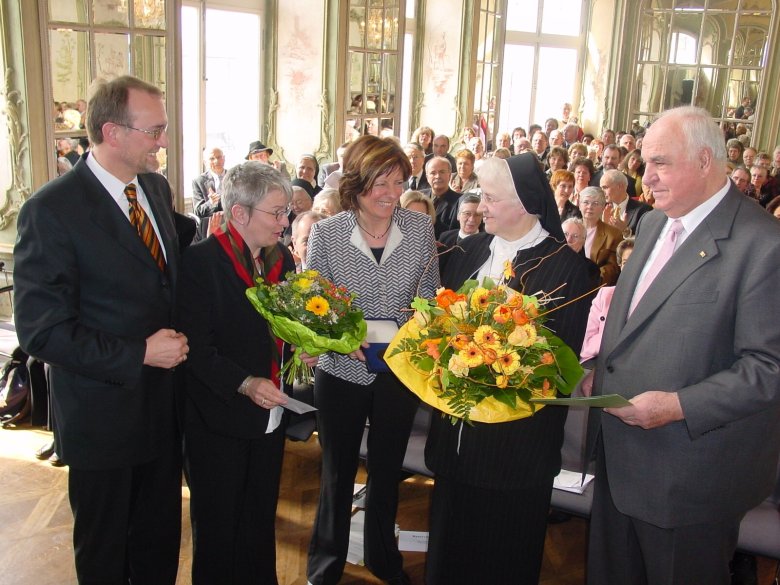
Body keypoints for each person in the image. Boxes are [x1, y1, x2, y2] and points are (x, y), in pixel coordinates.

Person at [583, 105, 780, 585]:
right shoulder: (654, 223)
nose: (645, 176)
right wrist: (599, 370)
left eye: (660, 163)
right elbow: (631, 321)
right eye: (645, 161)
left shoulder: (764, 245)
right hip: (619, 458)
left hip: (690, 477)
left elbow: (768, 368)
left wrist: (677, 406)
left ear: (705, 160)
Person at [14, 75, 188, 585]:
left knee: (159, 544)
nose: (163, 141)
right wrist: (138, 353)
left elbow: (159, 280)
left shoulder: (154, 188)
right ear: (112, 132)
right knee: (105, 552)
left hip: (163, 409)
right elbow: (42, 331)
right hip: (102, 419)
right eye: (154, 131)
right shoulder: (51, 211)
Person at [426, 153, 591, 585]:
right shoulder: (466, 250)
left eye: (491, 198)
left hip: (515, 454)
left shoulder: (569, 270)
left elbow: (556, 369)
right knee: (448, 559)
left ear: (526, 202)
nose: (480, 207)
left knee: (503, 562)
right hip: (454, 443)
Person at [306, 135, 439, 585]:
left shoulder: (419, 229)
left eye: (398, 183)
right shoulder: (327, 234)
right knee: (336, 472)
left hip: (398, 369)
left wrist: (413, 328)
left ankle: (384, 558)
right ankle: (325, 564)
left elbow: (429, 296)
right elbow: (314, 304)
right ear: (356, 184)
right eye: (380, 183)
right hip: (341, 369)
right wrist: (343, 337)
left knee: (386, 471)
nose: (390, 193)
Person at [177, 162, 294, 585]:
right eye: (276, 213)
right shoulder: (200, 262)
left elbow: (283, 329)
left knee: (259, 520)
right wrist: (244, 383)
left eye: (286, 212)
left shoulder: (282, 261)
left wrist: (302, 350)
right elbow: (196, 349)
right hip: (218, 418)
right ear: (239, 213)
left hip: (270, 414)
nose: (285, 222)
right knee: (218, 528)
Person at [578, 186, 623, 285]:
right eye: (586, 202)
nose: (590, 207)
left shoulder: (613, 234)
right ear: (579, 205)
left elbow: (613, 267)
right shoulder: (569, 229)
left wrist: (591, 280)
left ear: (603, 207)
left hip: (595, 284)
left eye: (595, 203)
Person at [600, 169, 652, 235]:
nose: (602, 192)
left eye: (605, 187)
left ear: (620, 186)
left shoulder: (643, 210)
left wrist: (626, 231)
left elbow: (646, 237)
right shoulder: (600, 209)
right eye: (601, 188)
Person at [192, 145, 226, 242]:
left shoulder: (234, 177)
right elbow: (198, 212)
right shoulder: (198, 181)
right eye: (212, 158)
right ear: (205, 162)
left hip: (232, 222)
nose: (216, 161)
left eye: (219, 157)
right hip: (209, 225)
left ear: (224, 158)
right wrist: (211, 202)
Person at [423, 155, 462, 238]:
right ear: (427, 177)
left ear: (450, 175)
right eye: (433, 173)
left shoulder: (460, 201)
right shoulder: (419, 198)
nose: (437, 176)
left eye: (442, 172)